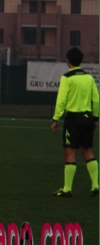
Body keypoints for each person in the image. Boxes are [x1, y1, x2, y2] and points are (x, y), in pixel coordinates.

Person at [51, 47, 99, 197]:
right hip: (88, 118)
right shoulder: (89, 77)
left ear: (68, 60)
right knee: (88, 151)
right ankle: (96, 186)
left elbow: (61, 100)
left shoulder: (67, 78)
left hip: (73, 120)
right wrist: (95, 118)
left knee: (70, 152)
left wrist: (56, 119)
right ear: (81, 61)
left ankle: (67, 189)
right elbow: (96, 99)